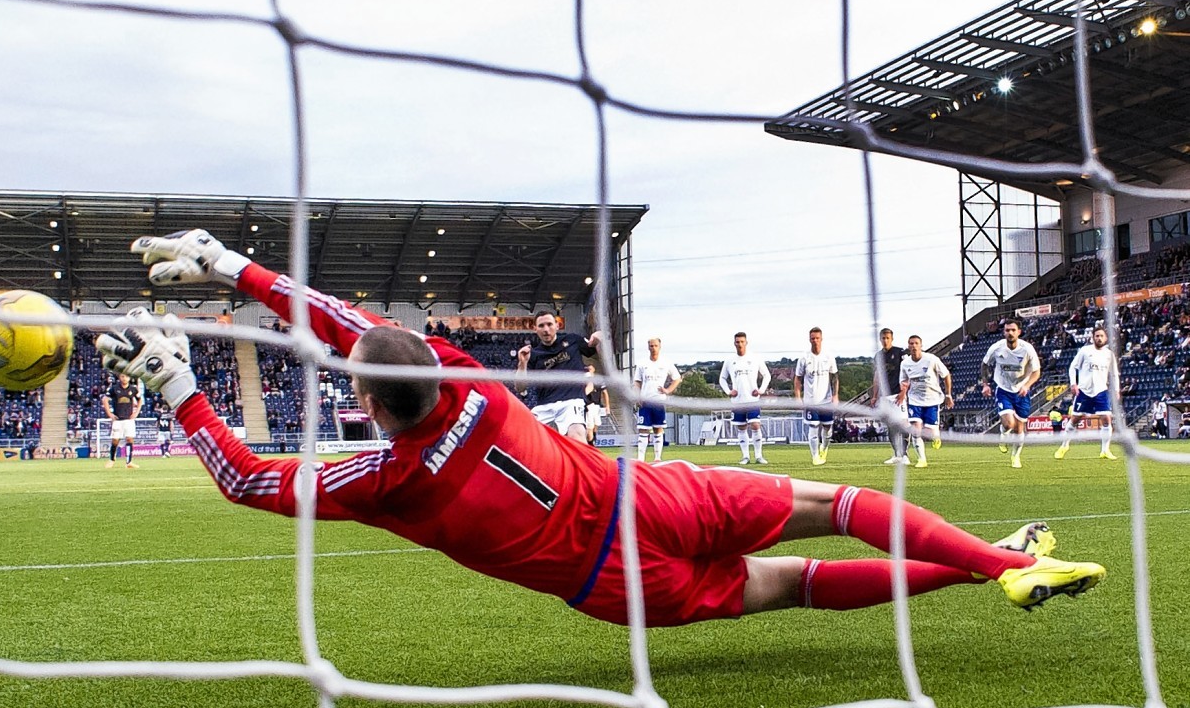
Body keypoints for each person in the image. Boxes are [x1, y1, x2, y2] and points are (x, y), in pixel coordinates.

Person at [101, 229, 1104, 626]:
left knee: (796, 588)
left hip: (617, 583)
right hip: (651, 494)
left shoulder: (386, 480)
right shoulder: (469, 385)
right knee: (835, 504)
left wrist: (187, 390)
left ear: (364, 408)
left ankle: (996, 565)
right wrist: (237, 269)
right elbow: (353, 326)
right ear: (429, 361)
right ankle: (992, 559)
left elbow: (249, 482)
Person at [516, 311, 601, 439]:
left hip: (571, 401)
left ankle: (584, 458)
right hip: (544, 406)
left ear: (557, 325)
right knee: (525, 440)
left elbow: (599, 355)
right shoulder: (532, 354)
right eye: (541, 326)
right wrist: (522, 364)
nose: (546, 329)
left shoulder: (572, 340)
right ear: (535, 329)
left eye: (549, 324)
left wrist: (601, 338)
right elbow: (520, 388)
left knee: (576, 433)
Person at [980, 319, 1042, 469]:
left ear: (1019, 332)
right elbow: (985, 364)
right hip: (1003, 389)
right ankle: (1003, 433)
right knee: (1009, 423)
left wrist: (1027, 385)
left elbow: (1036, 372)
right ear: (1004, 332)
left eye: (1013, 330)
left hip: (1022, 390)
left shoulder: (1027, 349)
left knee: (1019, 428)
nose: (1010, 333)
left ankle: (1015, 457)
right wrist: (985, 384)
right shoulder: (997, 348)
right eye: (1007, 330)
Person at [1056, 326, 1116, 461]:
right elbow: (1073, 367)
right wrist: (1073, 383)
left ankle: (1105, 450)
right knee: (1075, 419)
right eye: (1097, 336)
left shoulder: (1109, 354)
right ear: (1092, 337)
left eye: (1101, 336)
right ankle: (1064, 445)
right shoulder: (1085, 351)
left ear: (1106, 338)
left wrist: (1116, 390)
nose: (1099, 338)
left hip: (1101, 391)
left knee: (1106, 419)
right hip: (1084, 391)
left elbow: (1114, 374)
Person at [895, 335, 952, 469]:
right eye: (911, 344)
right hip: (915, 400)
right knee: (916, 430)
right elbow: (903, 381)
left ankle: (936, 436)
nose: (913, 346)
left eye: (916, 343)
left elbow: (946, 375)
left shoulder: (931, 359)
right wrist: (903, 392)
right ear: (908, 346)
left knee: (930, 433)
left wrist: (948, 394)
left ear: (921, 345)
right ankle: (922, 459)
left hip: (932, 399)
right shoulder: (905, 363)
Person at [719, 333, 770, 465]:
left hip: (753, 399)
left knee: (755, 425)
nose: (740, 344)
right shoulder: (730, 361)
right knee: (741, 428)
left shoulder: (755, 358)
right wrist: (729, 391)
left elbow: (767, 375)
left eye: (742, 341)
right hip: (737, 401)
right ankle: (745, 456)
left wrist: (761, 390)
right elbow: (722, 378)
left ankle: (759, 456)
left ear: (746, 342)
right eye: (737, 342)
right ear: (734, 343)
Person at [794, 327, 838, 467]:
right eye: (813, 338)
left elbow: (835, 377)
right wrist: (798, 397)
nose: (815, 341)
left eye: (817, 338)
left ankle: (823, 448)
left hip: (826, 400)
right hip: (810, 401)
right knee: (813, 427)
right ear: (809, 340)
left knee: (827, 428)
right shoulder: (804, 358)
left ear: (821, 339)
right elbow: (797, 379)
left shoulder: (828, 357)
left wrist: (835, 395)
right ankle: (815, 457)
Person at [633, 338, 681, 462]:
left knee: (658, 429)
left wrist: (668, 390)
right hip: (645, 401)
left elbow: (677, 378)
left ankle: (657, 458)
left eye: (655, 345)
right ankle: (640, 459)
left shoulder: (666, 363)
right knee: (643, 429)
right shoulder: (642, 363)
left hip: (659, 401)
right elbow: (637, 382)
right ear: (648, 347)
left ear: (660, 346)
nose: (653, 348)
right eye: (651, 346)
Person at [875, 329, 910, 465]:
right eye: (883, 338)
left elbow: (907, 372)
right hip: (885, 396)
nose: (885, 341)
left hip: (897, 394)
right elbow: (877, 376)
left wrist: (903, 392)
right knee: (890, 426)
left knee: (903, 424)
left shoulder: (899, 353)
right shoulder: (878, 356)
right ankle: (897, 454)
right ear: (880, 339)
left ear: (892, 338)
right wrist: (875, 395)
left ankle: (905, 454)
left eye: (887, 338)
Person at [102, 373, 144, 469]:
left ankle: (129, 462)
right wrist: (109, 414)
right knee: (115, 440)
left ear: (129, 378)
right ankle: (112, 459)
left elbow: (140, 399)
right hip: (117, 419)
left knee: (129, 439)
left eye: (126, 376)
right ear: (120, 377)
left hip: (129, 419)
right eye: (122, 376)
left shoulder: (133, 389)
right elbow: (105, 399)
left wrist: (136, 412)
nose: (124, 378)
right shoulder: (114, 388)